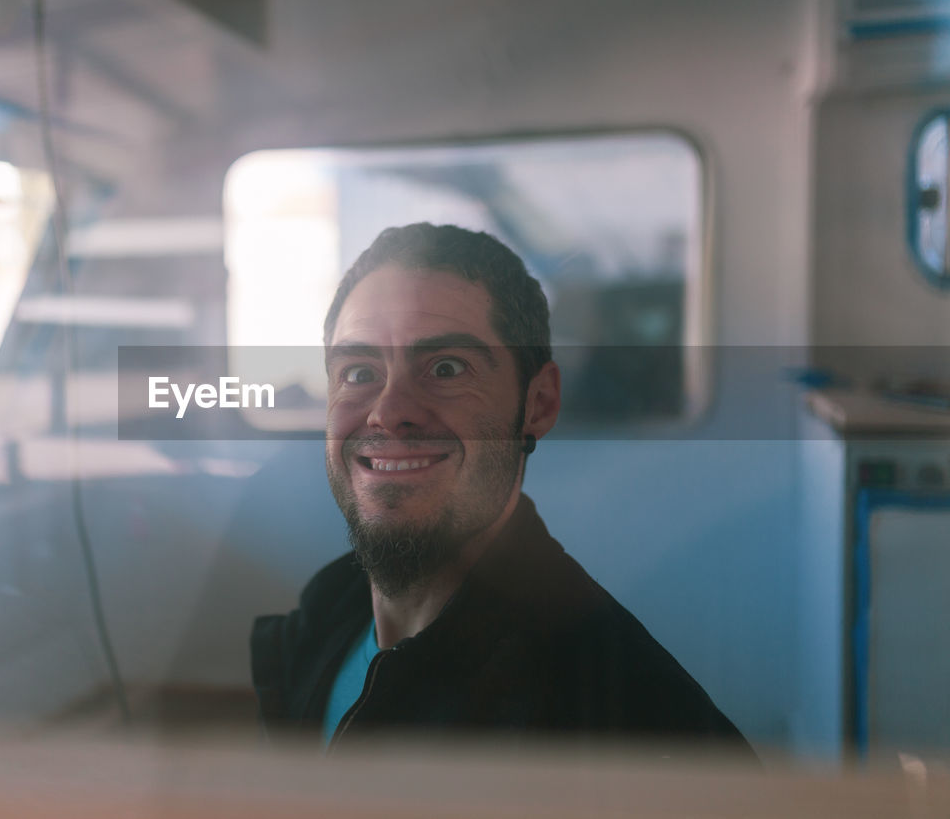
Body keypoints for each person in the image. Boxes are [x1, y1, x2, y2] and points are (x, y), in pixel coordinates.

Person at [250, 223, 751, 756]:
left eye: (446, 368)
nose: (389, 412)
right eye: (357, 372)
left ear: (538, 404)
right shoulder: (328, 612)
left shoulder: (627, 722)